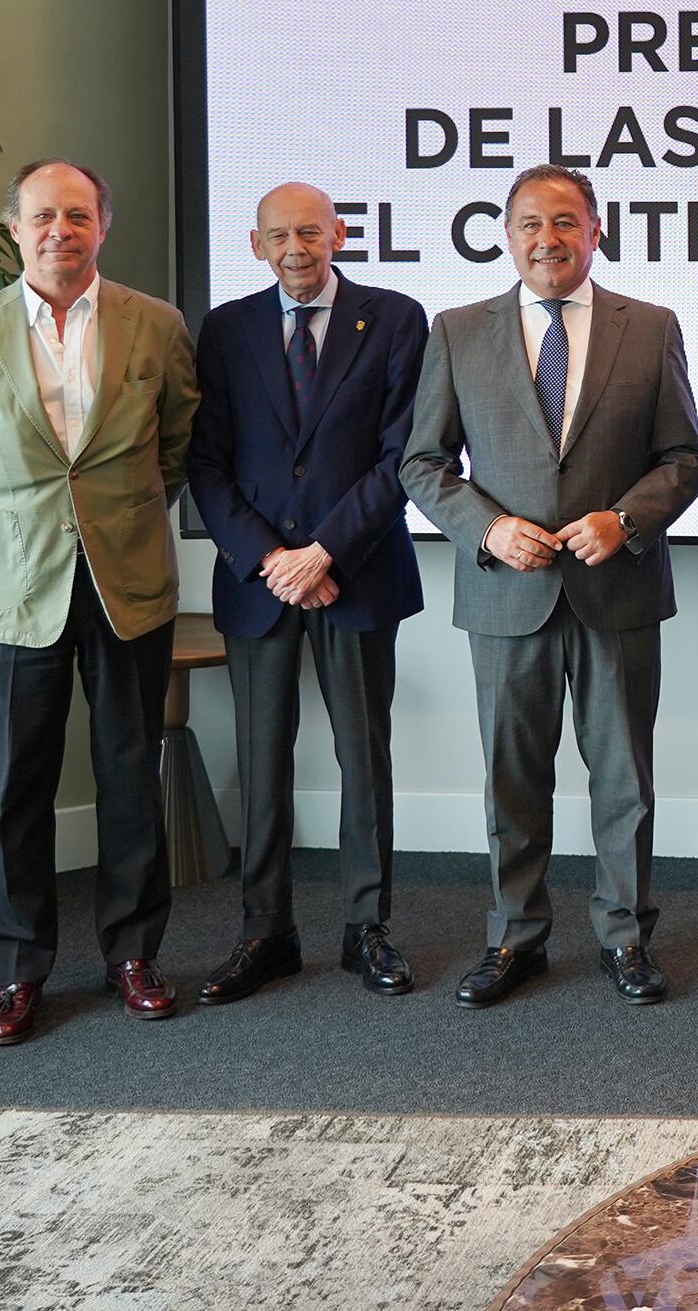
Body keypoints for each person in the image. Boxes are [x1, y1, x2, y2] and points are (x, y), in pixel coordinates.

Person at [400, 164, 698, 1010]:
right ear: (508, 236)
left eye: (566, 222)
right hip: (505, 594)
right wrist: (488, 528)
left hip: (618, 594)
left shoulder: (649, 327)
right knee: (512, 778)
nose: (549, 239)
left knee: (623, 781)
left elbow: (685, 458)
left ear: (596, 231)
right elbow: (422, 463)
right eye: (531, 223)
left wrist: (628, 521)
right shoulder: (459, 331)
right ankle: (514, 936)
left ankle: (626, 937)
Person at [0, 160, 199, 1046]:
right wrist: (13, 533)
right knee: (16, 791)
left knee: (128, 778)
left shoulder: (155, 324)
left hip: (128, 586)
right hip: (12, 593)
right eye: (43, 216)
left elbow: (179, 445)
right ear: (15, 230)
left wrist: (115, 522)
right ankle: (16, 968)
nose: (60, 231)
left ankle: (132, 954)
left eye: (78, 215)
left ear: (101, 228)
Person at [185, 181, 428, 1004]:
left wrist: (322, 552)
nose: (297, 249)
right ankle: (266, 932)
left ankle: (368, 930)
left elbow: (402, 457)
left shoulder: (395, 317)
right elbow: (206, 465)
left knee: (364, 759)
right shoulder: (224, 330)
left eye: (312, 234)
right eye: (280, 236)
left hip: (355, 576)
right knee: (262, 764)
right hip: (259, 586)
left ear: (341, 234)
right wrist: (272, 560)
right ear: (256, 245)